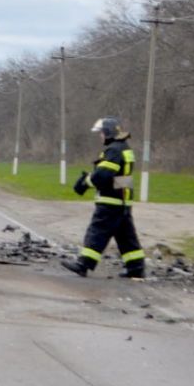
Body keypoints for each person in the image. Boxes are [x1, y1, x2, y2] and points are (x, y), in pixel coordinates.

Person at [61, 117, 146, 280]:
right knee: (126, 237)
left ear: (108, 132)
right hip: (123, 201)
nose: (100, 136)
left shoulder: (113, 150)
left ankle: (83, 264)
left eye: (101, 133)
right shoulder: (124, 148)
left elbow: (103, 175)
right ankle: (136, 268)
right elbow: (117, 175)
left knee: (97, 232)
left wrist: (85, 182)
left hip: (111, 200)